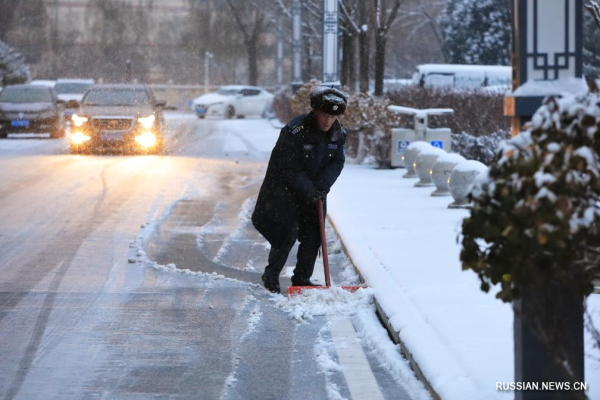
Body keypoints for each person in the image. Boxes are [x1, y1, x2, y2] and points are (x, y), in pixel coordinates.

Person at [251, 86, 347, 294]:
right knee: (285, 234)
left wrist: (322, 186)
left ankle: (302, 280)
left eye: (333, 117)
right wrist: (309, 189)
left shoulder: (338, 134)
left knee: (313, 237)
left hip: (316, 194)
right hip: (285, 192)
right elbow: (288, 167)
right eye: (324, 116)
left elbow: (337, 161)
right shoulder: (295, 131)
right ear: (315, 112)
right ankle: (272, 275)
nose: (328, 121)